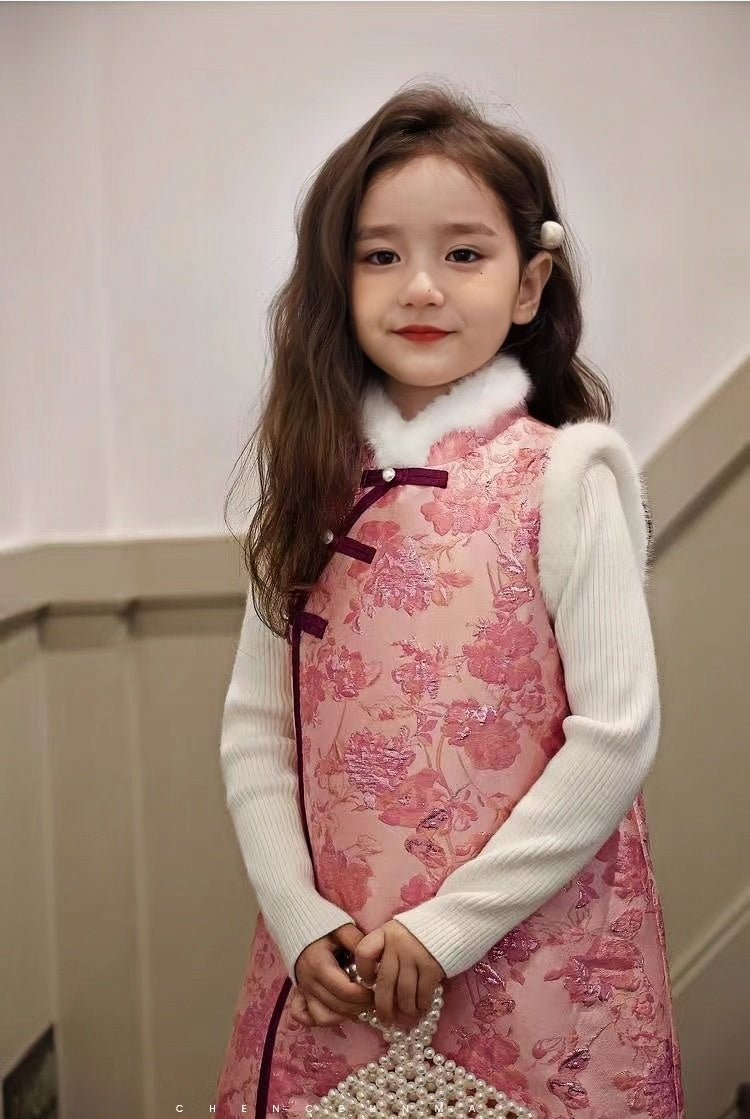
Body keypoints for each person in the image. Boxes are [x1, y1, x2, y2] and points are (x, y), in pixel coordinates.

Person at [214, 81, 685, 1119]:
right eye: (380, 255)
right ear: (336, 281)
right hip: (334, 968)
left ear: (530, 284)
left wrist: (448, 928)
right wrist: (297, 919)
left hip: (532, 968)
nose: (419, 287)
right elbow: (258, 733)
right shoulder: (303, 481)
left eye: (464, 254)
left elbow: (614, 736)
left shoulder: (571, 474)